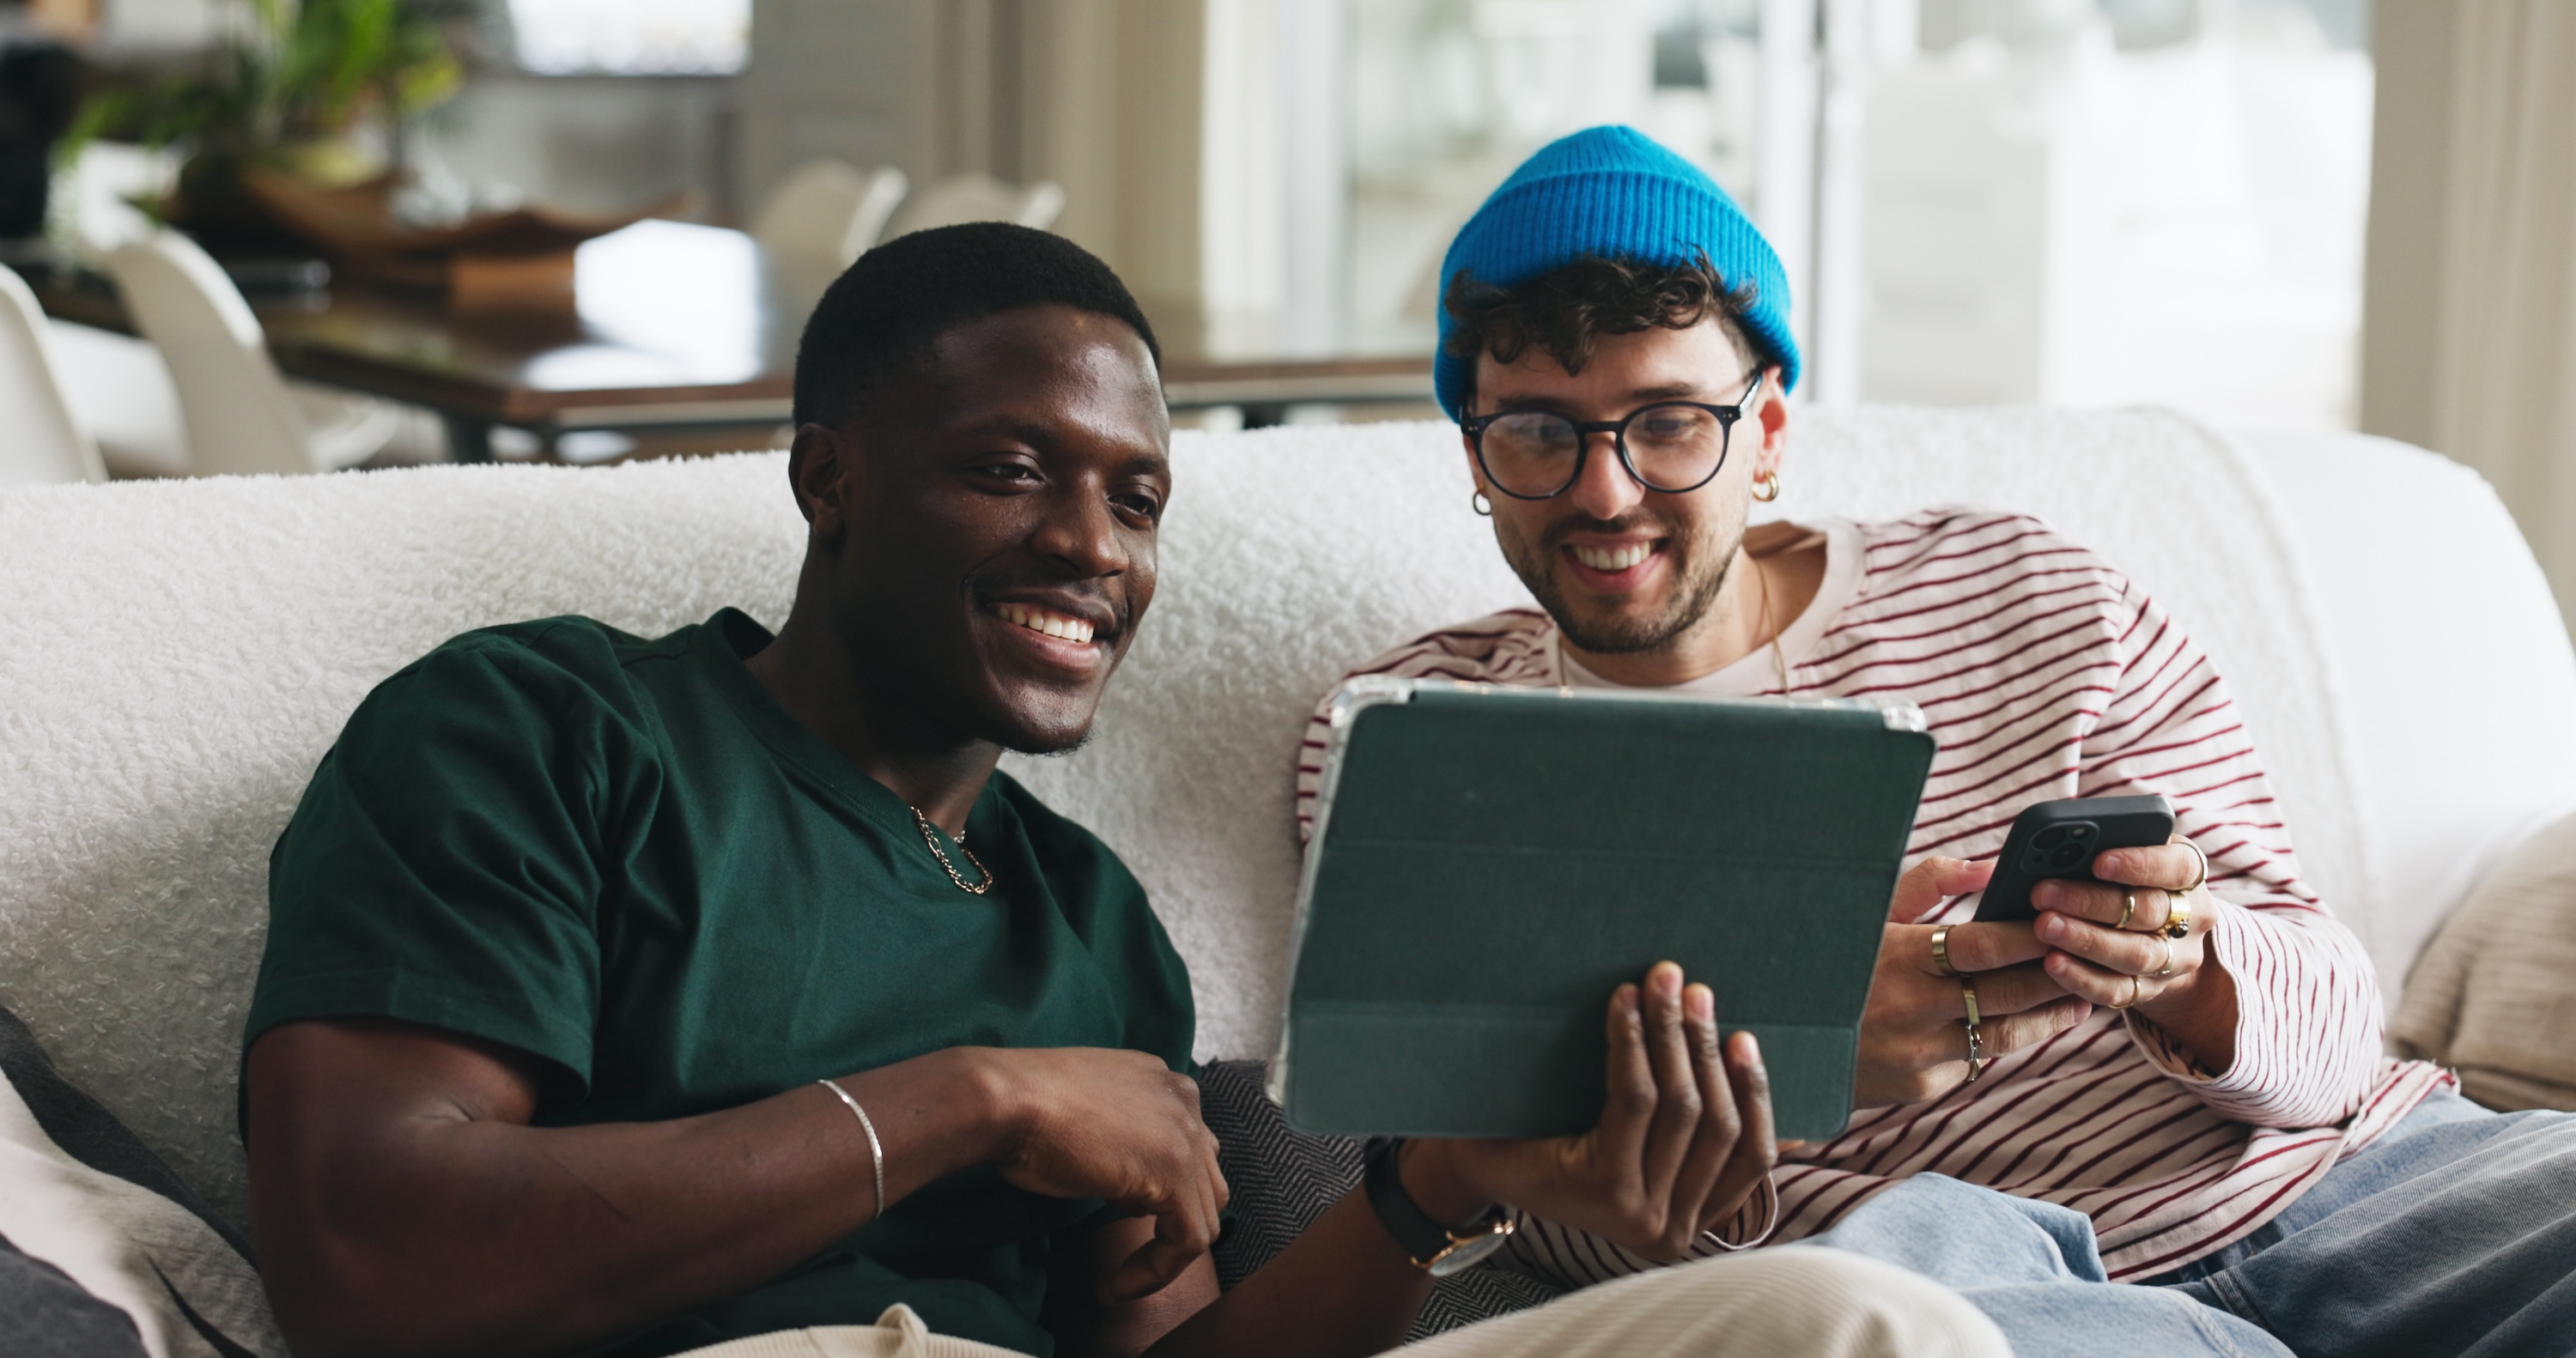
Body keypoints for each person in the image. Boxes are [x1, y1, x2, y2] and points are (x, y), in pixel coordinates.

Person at [240, 221, 2007, 1358]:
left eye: (1138, 499)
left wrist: (1437, 1181)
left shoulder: (1086, 931)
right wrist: (969, 1101)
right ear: (828, 478)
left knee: (1857, 1316)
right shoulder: (543, 729)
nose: (1089, 545)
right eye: (1010, 471)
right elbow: (368, 1261)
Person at [1301, 125, 2576, 1357]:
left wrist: (2186, 967)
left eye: (1670, 422)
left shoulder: (2022, 586)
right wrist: (1791, 1054)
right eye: (1537, 430)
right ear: (1472, 449)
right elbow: (1517, 1193)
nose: (1605, 490)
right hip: (1947, 1273)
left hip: (2360, 1185)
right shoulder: (1413, 740)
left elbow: (2342, 1028)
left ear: (1771, 434)